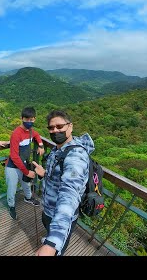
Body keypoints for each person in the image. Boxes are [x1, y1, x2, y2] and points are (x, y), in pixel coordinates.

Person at [32, 110, 94, 256]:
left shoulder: (75, 156)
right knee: (47, 226)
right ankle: (49, 236)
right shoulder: (58, 149)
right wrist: (44, 175)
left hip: (62, 216)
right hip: (49, 209)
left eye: (60, 127)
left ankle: (54, 244)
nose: (55, 131)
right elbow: (58, 178)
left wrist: (52, 242)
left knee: (58, 250)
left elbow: (69, 193)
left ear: (70, 127)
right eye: (51, 128)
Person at [5, 106, 45, 220]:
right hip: (12, 166)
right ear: (22, 118)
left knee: (27, 185)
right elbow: (14, 156)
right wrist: (27, 172)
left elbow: (37, 135)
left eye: (31, 119)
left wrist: (41, 145)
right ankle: (11, 206)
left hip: (24, 164)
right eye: (27, 119)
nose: (29, 122)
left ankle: (28, 198)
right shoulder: (16, 134)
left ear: (34, 119)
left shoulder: (31, 132)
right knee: (12, 188)